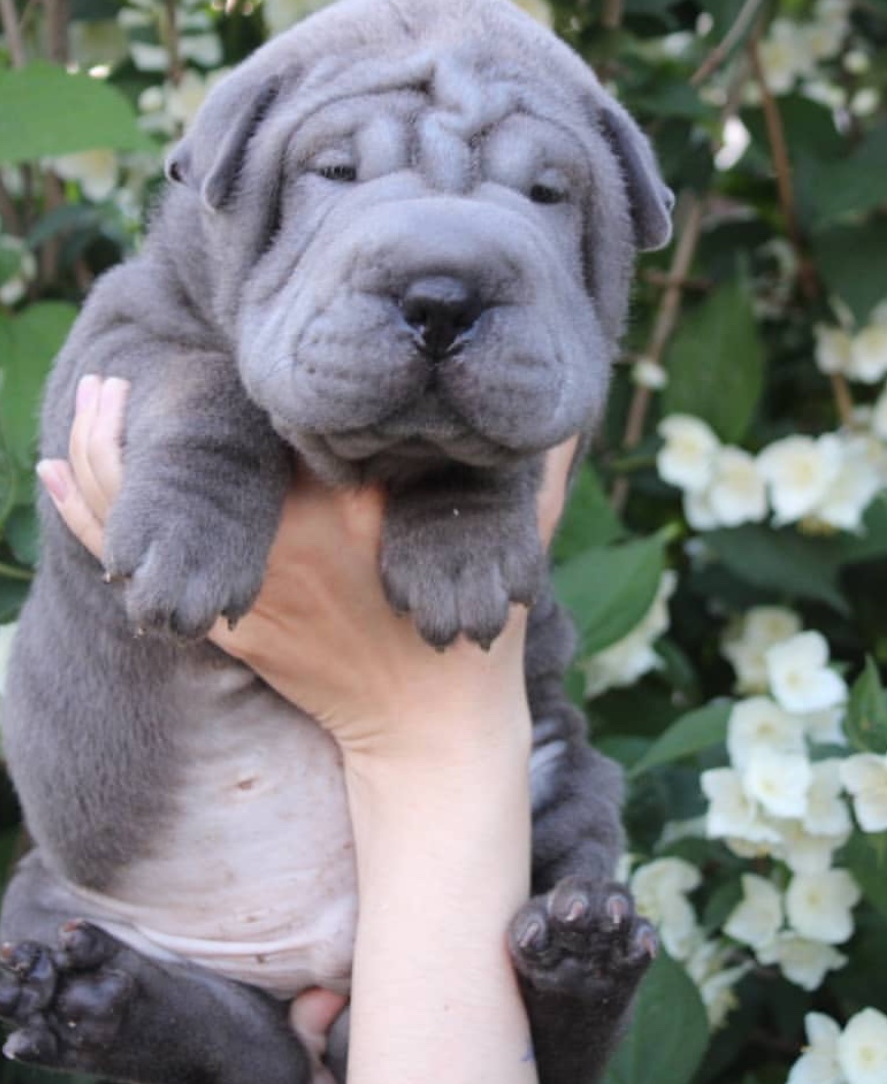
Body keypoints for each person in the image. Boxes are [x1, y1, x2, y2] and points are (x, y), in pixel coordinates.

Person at [36, 374, 580, 1084]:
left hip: (434, 931)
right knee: (47, 930)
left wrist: (424, 722)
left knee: (576, 861)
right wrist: (210, 466)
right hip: (181, 909)